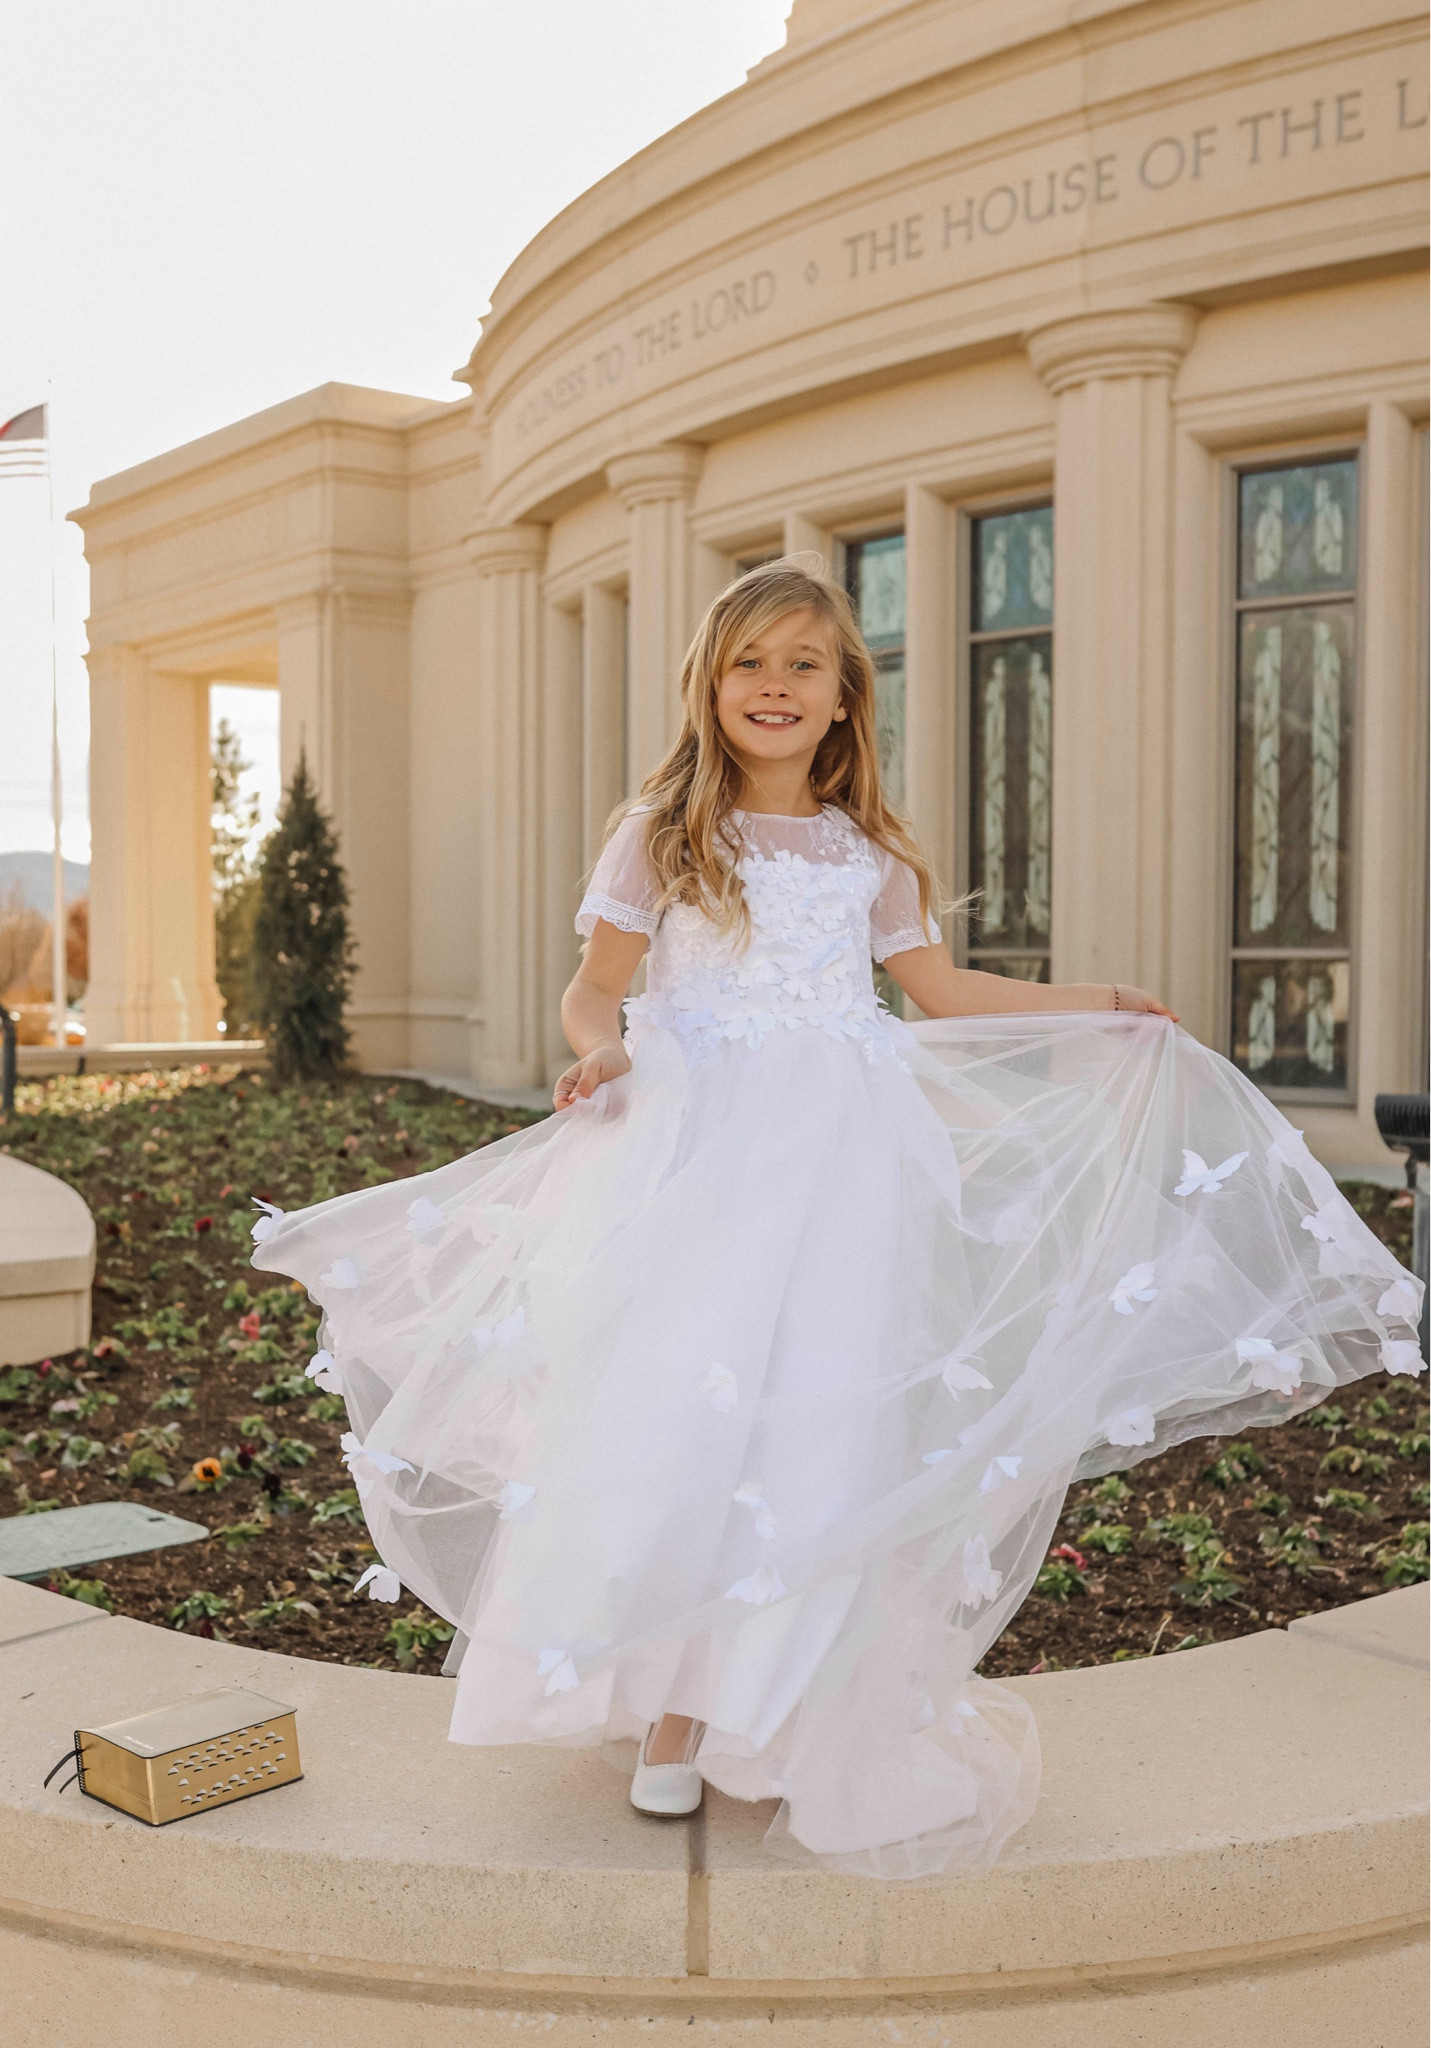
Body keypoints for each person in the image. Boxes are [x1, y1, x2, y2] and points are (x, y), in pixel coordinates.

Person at [251, 557, 1423, 1879]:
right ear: (712, 682)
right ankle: (673, 1718)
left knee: (824, 1418)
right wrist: (601, 1054)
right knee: (692, 1418)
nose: (776, 686)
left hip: (850, 1164)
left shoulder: (866, 849)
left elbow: (939, 991)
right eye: (752, 661)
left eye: (805, 665)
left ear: (844, 695)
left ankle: (792, 1706)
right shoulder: (660, 829)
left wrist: (1094, 998)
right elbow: (591, 992)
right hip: (699, 1156)